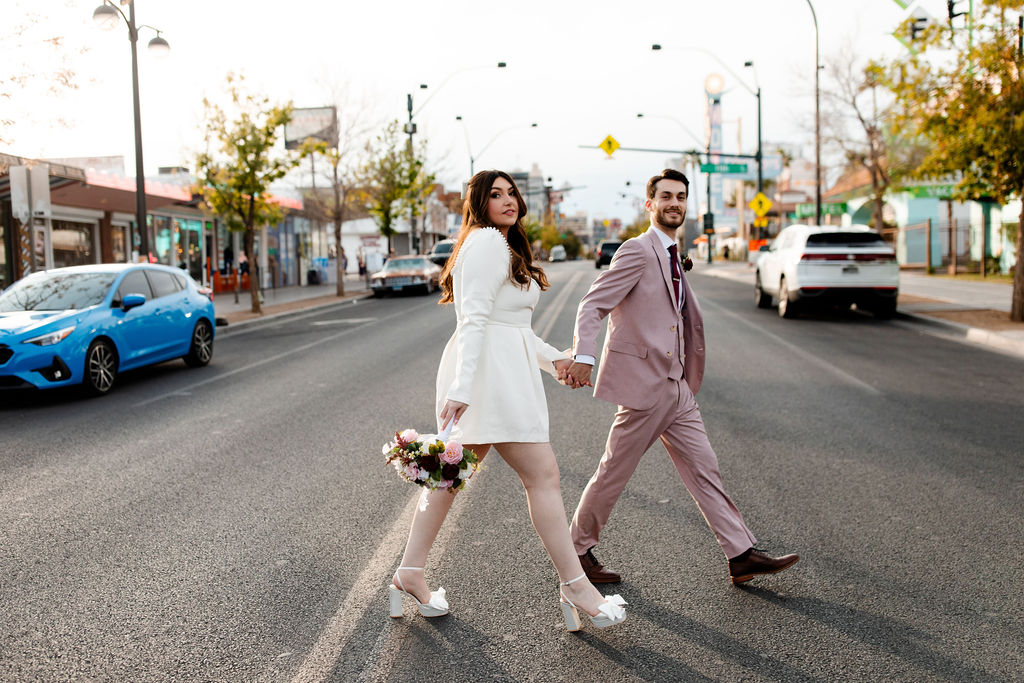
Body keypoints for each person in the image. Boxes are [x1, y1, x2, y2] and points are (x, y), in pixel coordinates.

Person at [389, 169, 627, 631]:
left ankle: (409, 572)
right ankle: (575, 585)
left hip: (497, 371)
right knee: (543, 477)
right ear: (478, 204)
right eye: (495, 194)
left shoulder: (500, 245)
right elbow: (475, 320)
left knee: (448, 479)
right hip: (487, 378)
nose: (508, 199)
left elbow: (514, 328)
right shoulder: (486, 243)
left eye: (512, 192)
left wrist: (556, 359)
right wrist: (461, 390)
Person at [565, 168, 799, 586]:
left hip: (676, 387)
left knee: (705, 470)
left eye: (681, 197)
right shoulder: (637, 251)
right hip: (646, 386)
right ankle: (577, 550)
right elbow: (592, 304)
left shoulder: (673, 253)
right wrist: (584, 355)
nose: (674, 204)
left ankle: (740, 553)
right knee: (614, 471)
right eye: (666, 197)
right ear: (649, 204)